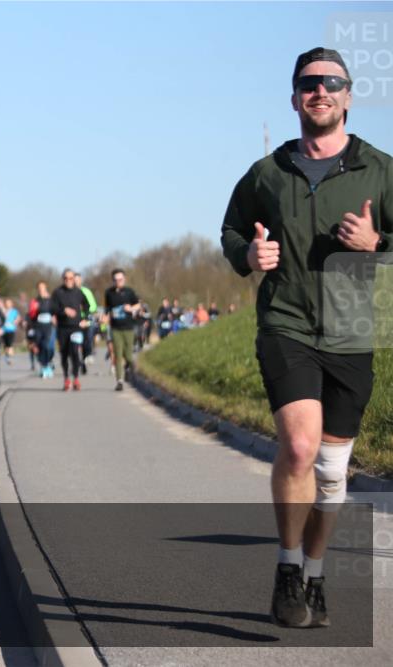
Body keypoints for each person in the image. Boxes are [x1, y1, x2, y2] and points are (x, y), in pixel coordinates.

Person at [221, 47, 391, 628]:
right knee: (297, 447)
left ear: (347, 95)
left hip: (353, 332)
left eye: (332, 83)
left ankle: (315, 576)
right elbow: (231, 228)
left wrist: (377, 246)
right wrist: (247, 252)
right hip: (286, 324)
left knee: (332, 474)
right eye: (309, 83)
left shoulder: (381, 171)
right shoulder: (267, 173)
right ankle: (289, 567)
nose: (321, 91)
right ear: (295, 97)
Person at [50, 270, 91, 391]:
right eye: (66, 278)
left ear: (74, 279)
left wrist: (84, 319)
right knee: (64, 354)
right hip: (62, 327)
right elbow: (52, 308)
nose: (68, 280)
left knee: (74, 352)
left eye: (71, 278)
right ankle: (66, 378)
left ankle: (76, 378)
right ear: (63, 279)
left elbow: (87, 306)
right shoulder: (58, 292)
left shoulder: (79, 292)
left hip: (76, 327)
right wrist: (64, 311)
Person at [103, 269, 140, 391]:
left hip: (128, 327)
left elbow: (138, 305)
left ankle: (131, 365)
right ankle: (119, 381)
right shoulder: (109, 293)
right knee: (118, 354)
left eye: (120, 279)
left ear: (124, 279)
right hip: (115, 328)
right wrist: (105, 317)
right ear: (113, 281)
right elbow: (107, 309)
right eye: (116, 280)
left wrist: (131, 308)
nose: (118, 282)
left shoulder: (129, 292)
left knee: (128, 355)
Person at [31, 281, 57, 378]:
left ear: (46, 288)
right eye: (39, 288)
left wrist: (54, 317)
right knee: (40, 347)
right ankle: (44, 366)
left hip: (49, 326)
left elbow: (56, 311)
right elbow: (31, 315)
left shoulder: (51, 300)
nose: (41, 289)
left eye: (43, 287)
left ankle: (48, 361)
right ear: (37, 289)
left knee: (49, 347)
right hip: (38, 327)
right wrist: (34, 310)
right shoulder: (35, 301)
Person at [1, 298, 22, 364]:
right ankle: (7, 357)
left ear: (11, 304)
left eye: (9, 303)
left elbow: (18, 318)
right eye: (6, 303)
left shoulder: (14, 311)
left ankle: (9, 358)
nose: (7, 304)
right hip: (4, 330)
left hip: (11, 330)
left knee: (10, 345)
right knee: (6, 345)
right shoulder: (3, 311)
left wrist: (15, 321)